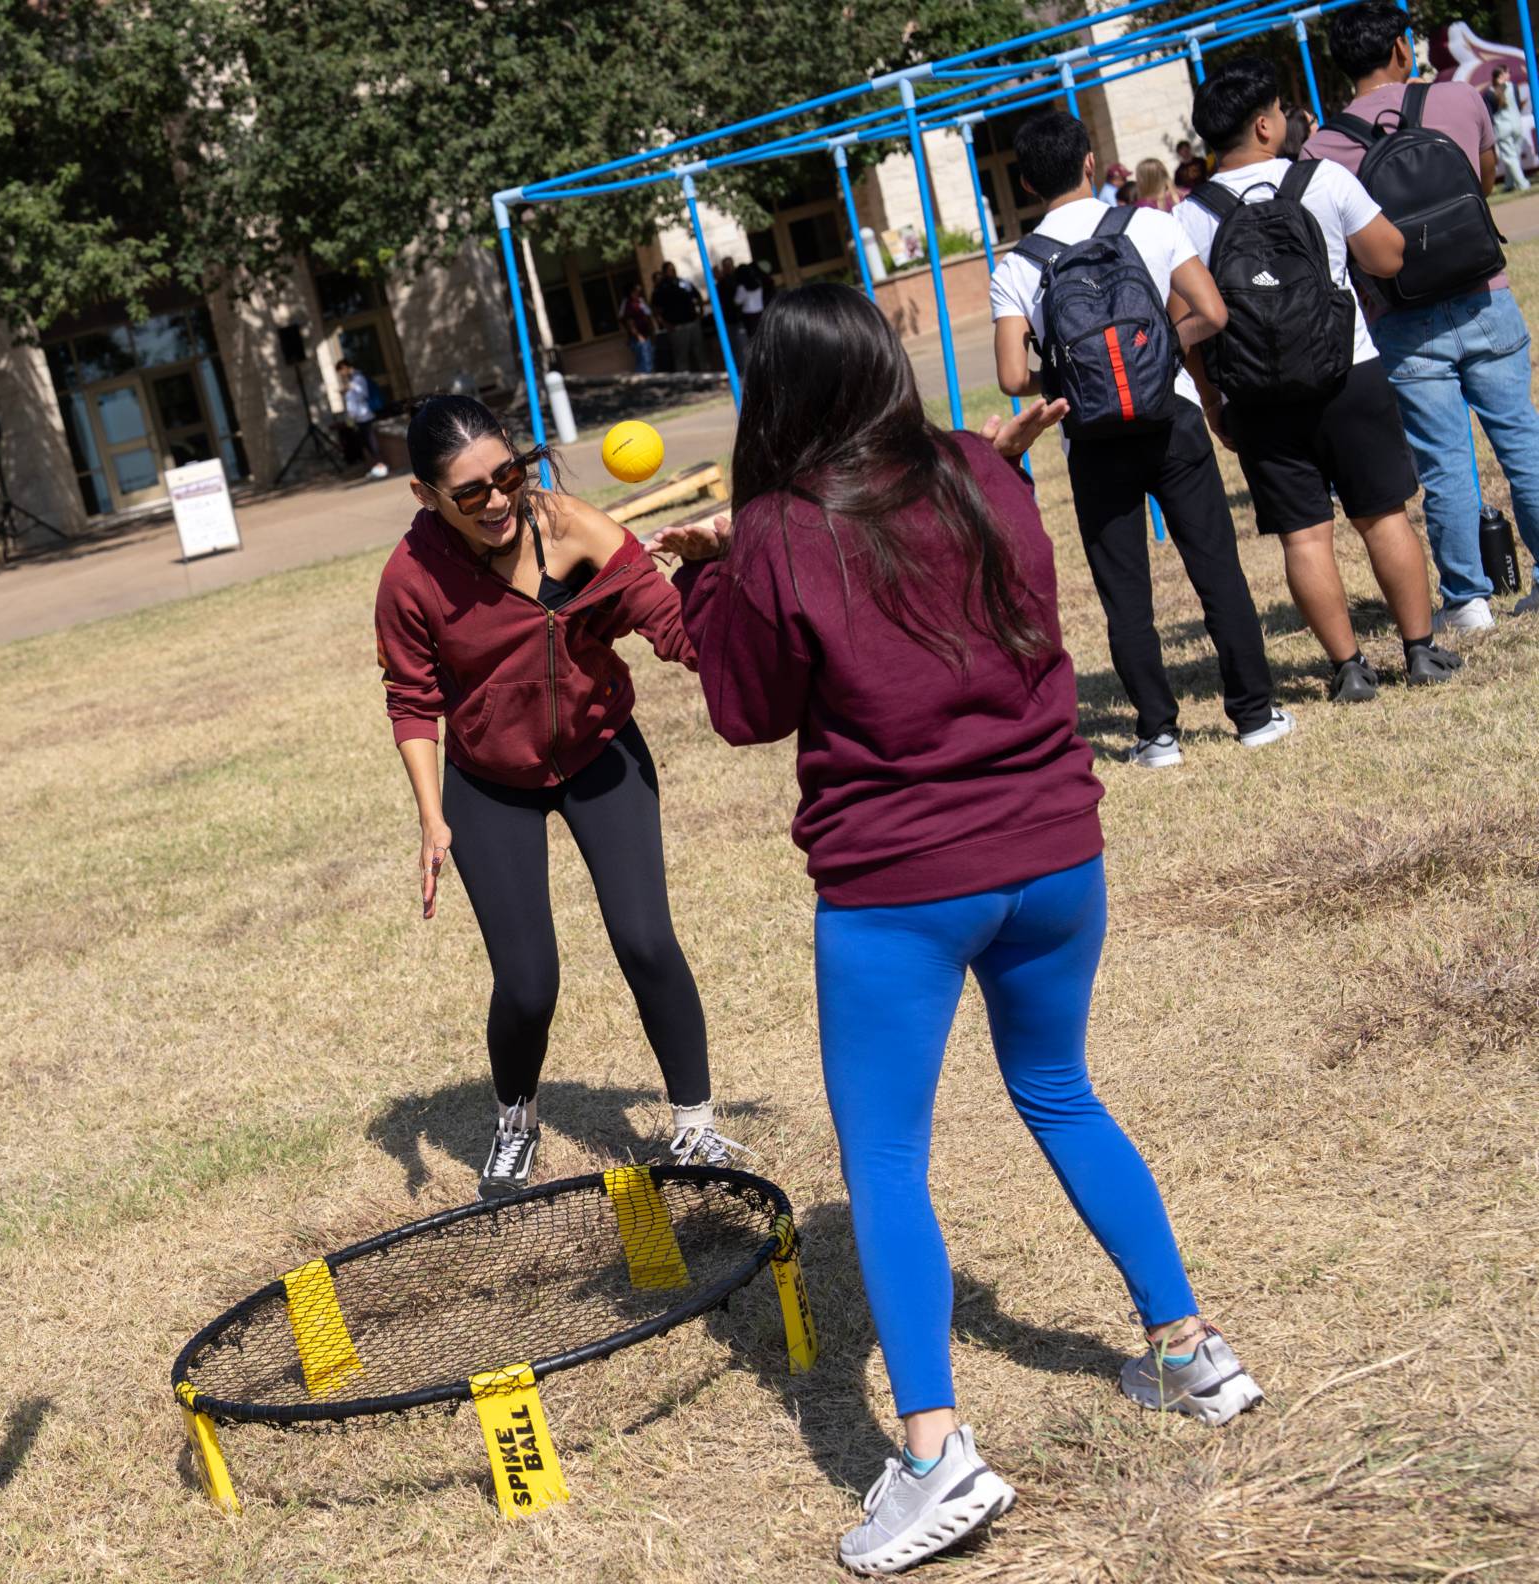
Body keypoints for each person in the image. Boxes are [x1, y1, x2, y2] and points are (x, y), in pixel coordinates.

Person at [652, 284, 1264, 1577]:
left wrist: (708, 585)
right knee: (1060, 1090)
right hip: (1056, 855)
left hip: (900, 890)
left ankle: (935, 1459)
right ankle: (1191, 1352)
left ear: (777, 399)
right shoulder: (984, 474)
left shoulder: (776, 531)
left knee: (884, 1156)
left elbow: (744, 711)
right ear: (886, 371)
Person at [373, 395, 727, 1197]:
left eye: (508, 476)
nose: (497, 501)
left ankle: (695, 1126)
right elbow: (412, 700)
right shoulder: (412, 577)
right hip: (488, 780)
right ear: (426, 496)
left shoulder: (569, 526)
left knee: (645, 940)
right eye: (470, 493)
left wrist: (715, 574)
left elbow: (672, 629)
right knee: (529, 981)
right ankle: (515, 1117)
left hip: (601, 752)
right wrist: (432, 816)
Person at [992, 111, 1290, 767]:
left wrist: (1075, 373)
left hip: (1091, 434)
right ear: (1090, 163)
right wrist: (1157, 352)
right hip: (1172, 417)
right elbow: (1212, 312)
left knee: (1125, 593)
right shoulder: (1151, 224)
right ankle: (1254, 715)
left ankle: (1158, 734)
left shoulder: (1019, 264)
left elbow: (1013, 375)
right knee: (1216, 568)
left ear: (1025, 181)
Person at [1179, 58, 1462, 700]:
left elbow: (1186, 324)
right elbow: (1388, 255)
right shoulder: (1324, 180)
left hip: (1255, 394)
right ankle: (1420, 652)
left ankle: (1349, 669)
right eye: (1279, 111)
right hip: (1349, 372)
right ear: (1263, 125)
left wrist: (1214, 401)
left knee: (1304, 536)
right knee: (1384, 517)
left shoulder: (1189, 216)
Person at [1311, 4, 1539, 630]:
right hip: (1483, 293)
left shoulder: (1322, 147)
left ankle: (1467, 598)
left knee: (1443, 462)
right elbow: (1483, 179)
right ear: (1401, 49)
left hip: (1402, 318)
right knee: (1522, 439)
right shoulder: (1461, 100)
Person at [337, 358, 389, 480]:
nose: (341, 375)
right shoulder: (352, 379)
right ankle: (377, 465)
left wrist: (351, 388)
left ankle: (381, 465)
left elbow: (363, 394)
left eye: (340, 371)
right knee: (365, 442)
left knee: (371, 440)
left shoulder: (358, 378)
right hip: (357, 417)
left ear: (344, 367)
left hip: (365, 414)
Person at [651, 261, 705, 372]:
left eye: (674, 268)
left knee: (700, 353)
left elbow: (697, 296)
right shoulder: (661, 288)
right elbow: (655, 309)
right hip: (677, 327)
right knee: (681, 357)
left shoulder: (684, 282)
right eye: (670, 270)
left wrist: (700, 313)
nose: (673, 271)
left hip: (692, 322)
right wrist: (665, 324)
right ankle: (685, 381)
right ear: (665, 272)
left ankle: (706, 377)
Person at [1489, 67, 1532, 192]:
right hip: (1516, 123)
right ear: (1501, 75)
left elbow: (1490, 112)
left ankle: (1521, 184)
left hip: (1502, 127)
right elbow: (1518, 104)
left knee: (1511, 157)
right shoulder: (1512, 87)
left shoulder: (1490, 92)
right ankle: (1510, 183)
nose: (1509, 74)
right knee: (1514, 156)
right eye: (1508, 72)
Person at [618, 280, 657, 374]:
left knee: (648, 362)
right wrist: (638, 336)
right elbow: (629, 322)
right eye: (637, 288)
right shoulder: (629, 304)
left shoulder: (639, 301)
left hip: (646, 335)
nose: (639, 288)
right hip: (639, 338)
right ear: (632, 290)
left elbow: (648, 315)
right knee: (645, 364)